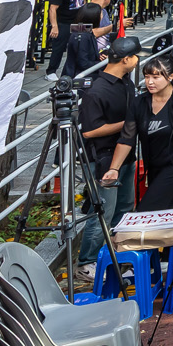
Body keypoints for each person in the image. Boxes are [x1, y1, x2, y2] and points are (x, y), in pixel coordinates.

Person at [76, 37, 140, 278]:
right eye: (135, 57)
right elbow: (89, 131)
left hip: (125, 155)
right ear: (125, 59)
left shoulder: (126, 83)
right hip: (102, 160)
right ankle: (87, 263)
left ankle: (116, 257)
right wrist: (129, 124)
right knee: (102, 211)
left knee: (124, 207)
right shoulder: (96, 91)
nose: (136, 61)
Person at [111, 52, 173, 212]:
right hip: (153, 164)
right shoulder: (139, 102)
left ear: (170, 77)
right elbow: (127, 138)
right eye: (147, 77)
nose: (149, 82)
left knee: (146, 209)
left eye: (156, 77)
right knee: (169, 207)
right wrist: (114, 169)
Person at [46, 0, 93, 75]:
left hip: (78, 23)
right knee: (59, 48)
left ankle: (78, 69)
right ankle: (51, 72)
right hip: (64, 23)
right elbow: (52, 8)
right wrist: (54, 26)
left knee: (83, 43)